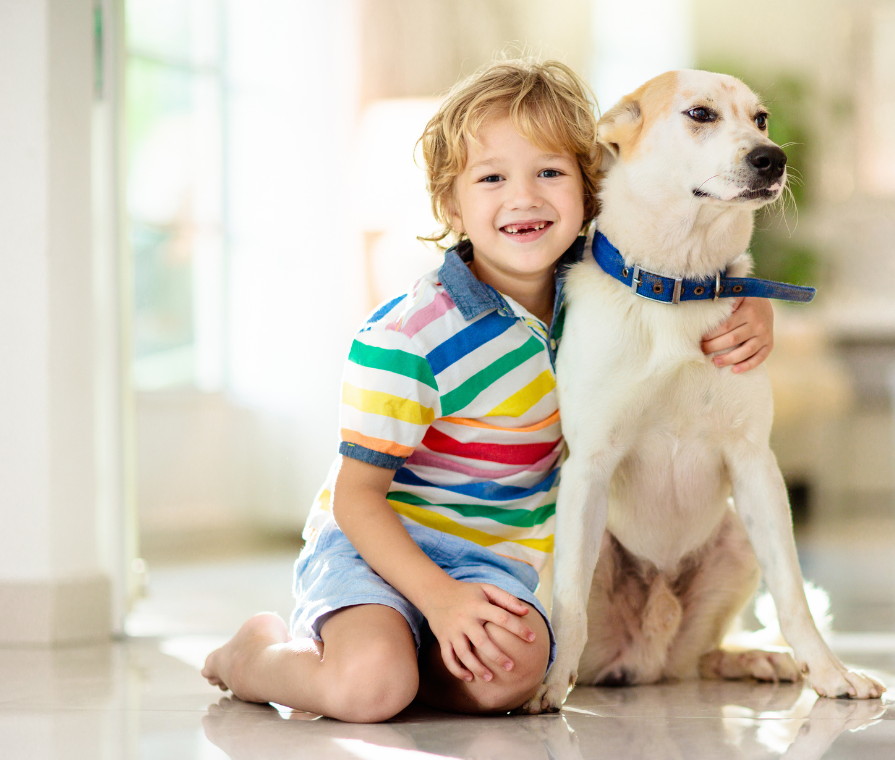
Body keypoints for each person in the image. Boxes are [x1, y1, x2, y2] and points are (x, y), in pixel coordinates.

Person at [201, 57, 776, 723]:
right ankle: (254, 655)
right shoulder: (410, 333)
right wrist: (438, 601)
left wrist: (752, 308)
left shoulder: (599, 298)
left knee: (514, 677)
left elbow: (689, 291)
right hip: (382, 557)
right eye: (493, 177)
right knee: (371, 690)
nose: (524, 197)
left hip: (489, 567)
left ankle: (408, 660)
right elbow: (356, 502)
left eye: (551, 174)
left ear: (592, 193)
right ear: (452, 204)